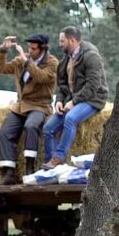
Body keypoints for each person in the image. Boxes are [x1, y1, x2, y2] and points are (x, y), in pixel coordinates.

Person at [0, 33, 59, 184]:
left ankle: (30, 169)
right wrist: (2, 51)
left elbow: (42, 77)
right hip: (21, 105)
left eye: (33, 48)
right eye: (29, 47)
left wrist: (26, 62)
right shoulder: (21, 60)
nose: (30, 50)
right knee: (5, 132)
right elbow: (0, 69)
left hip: (40, 105)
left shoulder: (52, 62)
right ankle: (9, 172)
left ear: (43, 49)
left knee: (31, 126)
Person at [41, 26, 109, 169]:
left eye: (62, 41)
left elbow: (93, 85)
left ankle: (58, 157)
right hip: (73, 101)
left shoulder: (91, 56)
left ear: (72, 40)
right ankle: (50, 165)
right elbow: (62, 85)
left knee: (70, 118)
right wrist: (59, 100)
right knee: (48, 128)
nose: (60, 44)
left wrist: (74, 102)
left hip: (93, 99)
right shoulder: (66, 60)